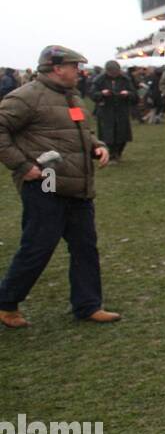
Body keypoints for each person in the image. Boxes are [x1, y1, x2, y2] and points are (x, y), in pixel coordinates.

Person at [0, 46, 120, 328]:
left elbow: (82, 133)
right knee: (37, 247)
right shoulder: (27, 96)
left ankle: (88, 305)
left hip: (77, 188)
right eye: (74, 66)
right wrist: (21, 165)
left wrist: (98, 147)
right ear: (57, 68)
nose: (79, 72)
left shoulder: (71, 98)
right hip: (45, 187)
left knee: (85, 247)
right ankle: (6, 304)